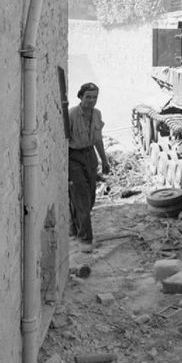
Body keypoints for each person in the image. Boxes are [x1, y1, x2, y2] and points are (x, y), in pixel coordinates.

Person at [68, 82, 110, 252]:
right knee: (82, 199)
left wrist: (104, 160)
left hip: (90, 155)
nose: (91, 101)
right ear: (80, 97)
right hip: (74, 157)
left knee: (90, 198)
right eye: (88, 97)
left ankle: (74, 230)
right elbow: (63, 141)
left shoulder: (97, 114)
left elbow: (98, 139)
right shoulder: (71, 115)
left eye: (94, 97)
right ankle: (85, 241)